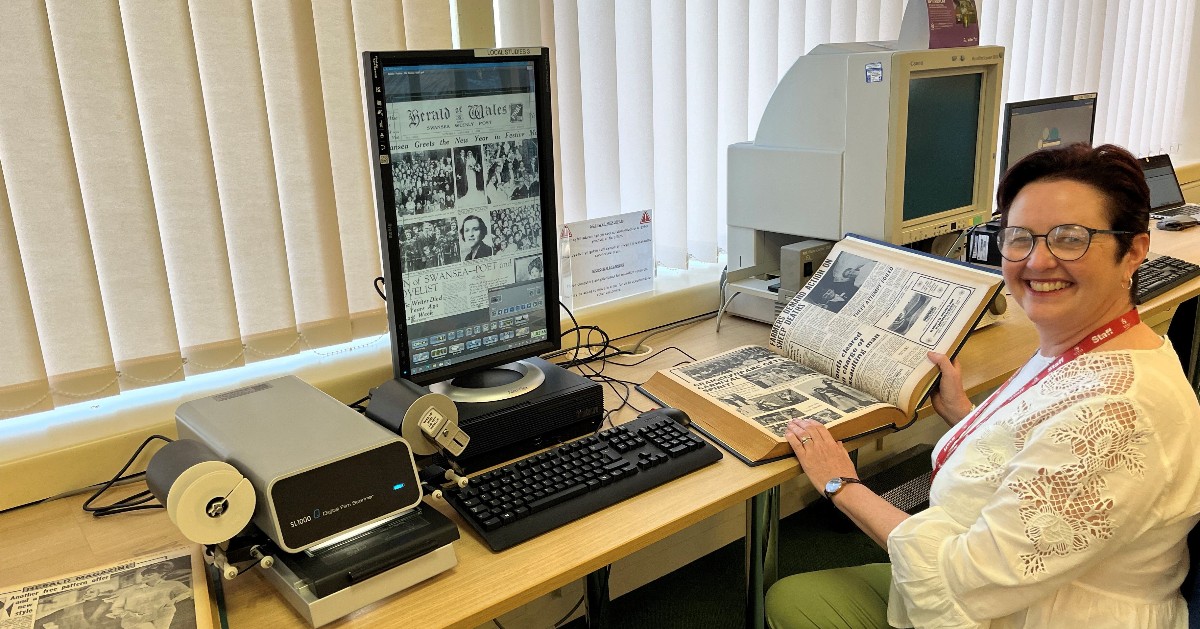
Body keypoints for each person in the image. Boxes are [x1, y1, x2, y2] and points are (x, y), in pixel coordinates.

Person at [766, 143, 1200, 628]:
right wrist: (967, 415)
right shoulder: (1101, 344)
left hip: (1045, 611)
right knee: (798, 594)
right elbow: (1044, 443)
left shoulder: (1120, 409)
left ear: (1134, 250)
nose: (1037, 261)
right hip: (1026, 579)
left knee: (793, 600)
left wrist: (840, 483)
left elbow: (965, 578)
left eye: (1070, 238)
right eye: (1019, 238)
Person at [107, 563, 190, 629]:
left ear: (160, 574)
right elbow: (116, 608)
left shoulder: (172, 584)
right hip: (136, 620)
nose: (145, 576)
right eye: (144, 574)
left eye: (150, 574)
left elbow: (187, 592)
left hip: (162, 616)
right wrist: (129, 615)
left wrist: (172, 601)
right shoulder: (130, 591)